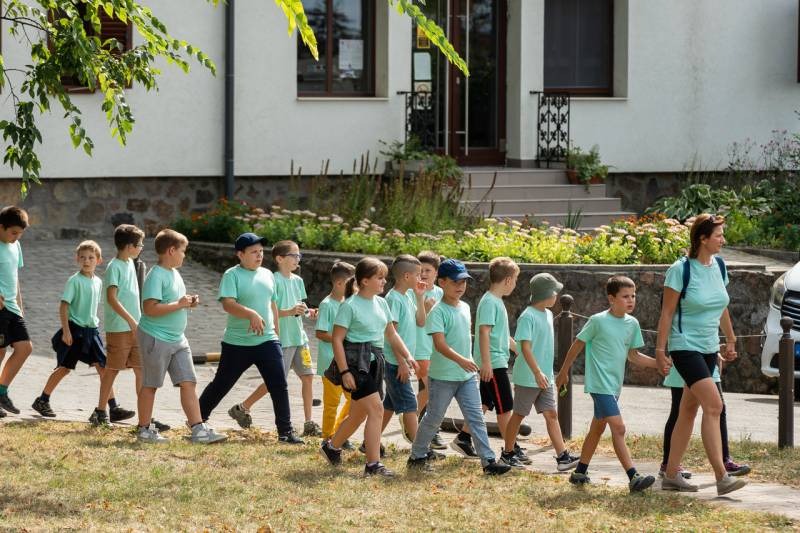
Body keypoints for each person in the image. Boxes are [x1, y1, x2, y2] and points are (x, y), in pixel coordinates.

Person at [656, 213, 747, 495]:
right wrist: (660, 350)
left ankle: (671, 474)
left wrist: (730, 338)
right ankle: (722, 477)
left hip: (709, 347)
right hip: (684, 346)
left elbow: (721, 305)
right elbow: (667, 313)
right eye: (718, 235)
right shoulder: (680, 269)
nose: (723, 240)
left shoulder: (719, 265)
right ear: (703, 239)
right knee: (714, 405)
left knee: (688, 410)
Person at [406, 259, 511, 476]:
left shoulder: (465, 307)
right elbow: (440, 345)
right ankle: (417, 456)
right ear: (442, 282)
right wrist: (462, 360)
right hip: (442, 377)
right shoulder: (437, 311)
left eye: (463, 281)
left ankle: (488, 461)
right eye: (455, 281)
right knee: (433, 417)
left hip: (467, 377)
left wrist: (468, 363)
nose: (460, 286)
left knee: (476, 417)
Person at [556, 275, 659, 493]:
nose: (631, 300)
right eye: (625, 296)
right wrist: (563, 372)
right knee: (618, 428)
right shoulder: (598, 321)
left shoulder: (632, 324)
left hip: (614, 386)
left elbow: (633, 355)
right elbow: (577, 345)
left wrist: (658, 363)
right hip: (599, 385)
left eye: (633, 296)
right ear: (611, 299)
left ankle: (579, 473)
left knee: (597, 428)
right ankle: (633, 477)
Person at [198, 233, 303, 443]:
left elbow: (272, 304)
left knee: (279, 384)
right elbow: (228, 304)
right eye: (254, 252)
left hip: (267, 340)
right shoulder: (232, 275)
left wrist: (276, 333)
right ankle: (197, 420)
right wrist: (250, 314)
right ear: (240, 254)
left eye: (261, 251)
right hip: (237, 343)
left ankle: (285, 432)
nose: (259, 255)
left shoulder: (268, 274)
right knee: (222, 384)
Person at [319, 257, 418, 478]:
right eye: (379, 278)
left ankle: (331, 447)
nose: (384, 282)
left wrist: (407, 356)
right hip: (355, 364)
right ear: (364, 281)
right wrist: (345, 371)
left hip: (375, 363)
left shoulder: (381, 303)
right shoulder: (349, 306)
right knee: (376, 410)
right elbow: (337, 340)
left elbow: (391, 334)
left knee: (358, 414)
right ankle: (373, 464)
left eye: (384, 277)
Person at [135, 229, 226, 444]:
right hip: (156, 338)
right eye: (183, 251)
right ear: (171, 250)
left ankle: (198, 429)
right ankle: (144, 430)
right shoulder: (156, 275)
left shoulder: (174, 273)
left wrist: (187, 303)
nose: (185, 255)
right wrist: (179, 304)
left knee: (189, 382)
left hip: (178, 339)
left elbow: (174, 303)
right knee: (151, 385)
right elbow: (149, 308)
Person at [237, 240, 319, 436]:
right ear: (280, 259)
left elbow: (300, 307)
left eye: (299, 255)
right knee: (275, 380)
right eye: (294, 255)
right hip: (283, 339)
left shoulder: (298, 281)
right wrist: (289, 312)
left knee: (308, 377)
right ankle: (243, 407)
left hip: (300, 338)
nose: (298, 259)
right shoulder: (272, 280)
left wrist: (309, 312)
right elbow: (268, 311)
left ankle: (309, 423)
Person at [501, 273, 579, 471]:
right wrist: (536, 372)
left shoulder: (548, 314)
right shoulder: (527, 316)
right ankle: (507, 454)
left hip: (545, 377)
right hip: (529, 377)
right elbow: (524, 348)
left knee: (551, 414)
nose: (557, 296)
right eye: (555, 292)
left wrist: (546, 373)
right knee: (519, 415)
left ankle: (562, 457)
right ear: (546, 294)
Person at [32, 241, 115, 420]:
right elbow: (64, 306)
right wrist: (66, 331)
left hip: (92, 332)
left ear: (99, 260)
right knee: (65, 368)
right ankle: (42, 400)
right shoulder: (74, 281)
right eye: (83, 257)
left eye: (91, 258)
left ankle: (113, 407)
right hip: (75, 331)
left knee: (104, 367)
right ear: (77, 259)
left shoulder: (98, 282)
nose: (87, 261)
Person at [93, 224, 153, 428]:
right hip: (119, 328)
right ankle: (100, 411)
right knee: (112, 369)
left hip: (135, 327)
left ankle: (145, 417)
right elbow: (112, 298)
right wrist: (130, 319)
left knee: (140, 370)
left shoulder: (130, 263)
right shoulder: (115, 266)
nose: (141, 248)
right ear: (129, 246)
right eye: (140, 245)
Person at [660, 362, 750, 478]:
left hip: (709, 360)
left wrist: (720, 352)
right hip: (686, 359)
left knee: (718, 408)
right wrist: (660, 356)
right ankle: (669, 464)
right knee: (680, 411)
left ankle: (724, 461)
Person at [471, 257, 519, 459]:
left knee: (485, 402)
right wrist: (487, 363)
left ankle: (464, 438)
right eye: (515, 280)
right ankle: (510, 450)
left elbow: (502, 334)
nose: (515, 284)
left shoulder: (496, 301)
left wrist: (519, 350)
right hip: (493, 363)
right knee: (505, 407)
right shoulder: (490, 302)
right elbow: (484, 332)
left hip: (494, 361)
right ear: (508, 280)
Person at [381, 255, 426, 445]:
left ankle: (369, 442)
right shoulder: (393, 299)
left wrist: (420, 297)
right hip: (394, 362)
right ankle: (419, 449)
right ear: (407, 276)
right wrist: (401, 363)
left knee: (390, 405)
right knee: (410, 405)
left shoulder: (408, 296)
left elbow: (421, 321)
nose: (420, 278)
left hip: (402, 362)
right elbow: (391, 333)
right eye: (418, 275)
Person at [314, 261, 356, 446]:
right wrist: (340, 339)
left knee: (354, 399)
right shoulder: (327, 305)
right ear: (340, 283)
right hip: (329, 363)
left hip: (347, 362)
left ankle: (339, 432)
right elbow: (320, 333)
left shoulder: (349, 303)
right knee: (331, 403)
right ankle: (327, 438)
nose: (355, 286)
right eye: (352, 282)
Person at [0, 206, 32, 416]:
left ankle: (1, 391)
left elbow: (15, 277)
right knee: (0, 352)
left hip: (13, 307)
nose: (16, 237)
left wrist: (20, 305)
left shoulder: (16, 245)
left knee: (25, 348)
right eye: (13, 233)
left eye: (19, 234)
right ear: (1, 227)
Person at [412, 251, 446, 450]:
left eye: (428, 270)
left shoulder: (441, 293)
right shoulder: (413, 292)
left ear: (436, 273)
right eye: (420, 271)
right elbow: (417, 321)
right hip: (420, 349)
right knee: (432, 390)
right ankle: (422, 424)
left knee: (430, 391)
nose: (423, 274)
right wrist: (423, 306)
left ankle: (416, 420)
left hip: (436, 350)